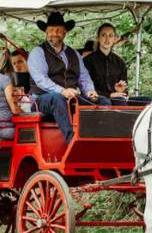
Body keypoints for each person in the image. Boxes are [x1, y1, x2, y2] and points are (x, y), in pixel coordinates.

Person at [28, 12, 109, 143]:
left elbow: (83, 76)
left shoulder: (74, 54)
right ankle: (72, 141)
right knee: (57, 98)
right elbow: (41, 80)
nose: (53, 33)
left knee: (103, 101)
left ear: (65, 32)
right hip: (42, 100)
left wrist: (89, 90)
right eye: (50, 31)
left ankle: (99, 139)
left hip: (70, 97)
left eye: (58, 30)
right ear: (46, 33)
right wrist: (62, 90)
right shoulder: (38, 52)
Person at [83, 23, 152, 106]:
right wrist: (110, 95)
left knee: (146, 100)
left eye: (110, 36)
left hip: (117, 97)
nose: (107, 39)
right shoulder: (88, 61)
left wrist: (120, 90)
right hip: (98, 98)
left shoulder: (120, 62)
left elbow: (124, 90)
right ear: (98, 38)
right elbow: (86, 88)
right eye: (103, 35)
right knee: (115, 100)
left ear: (114, 39)